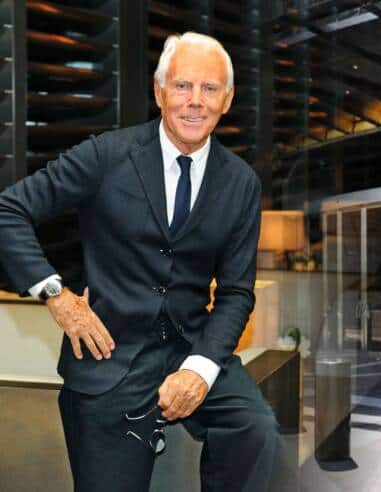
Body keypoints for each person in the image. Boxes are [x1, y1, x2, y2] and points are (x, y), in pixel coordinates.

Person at [0, 32, 282, 491]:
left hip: (193, 344)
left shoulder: (241, 183)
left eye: (210, 89)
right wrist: (56, 294)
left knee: (257, 431)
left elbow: (235, 292)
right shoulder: (106, 155)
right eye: (182, 86)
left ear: (227, 100)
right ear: (159, 92)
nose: (195, 102)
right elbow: (8, 210)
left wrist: (199, 369)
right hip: (110, 351)